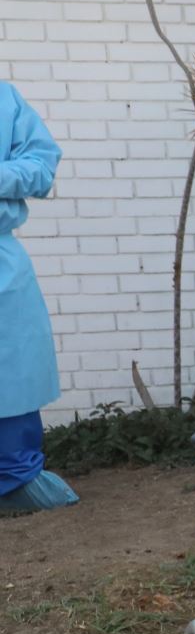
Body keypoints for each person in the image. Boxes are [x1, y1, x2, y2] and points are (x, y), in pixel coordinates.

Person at [0, 82, 77, 515]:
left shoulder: (4, 100)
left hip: (1, 264)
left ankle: (13, 478)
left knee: (11, 368)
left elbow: (41, 164)